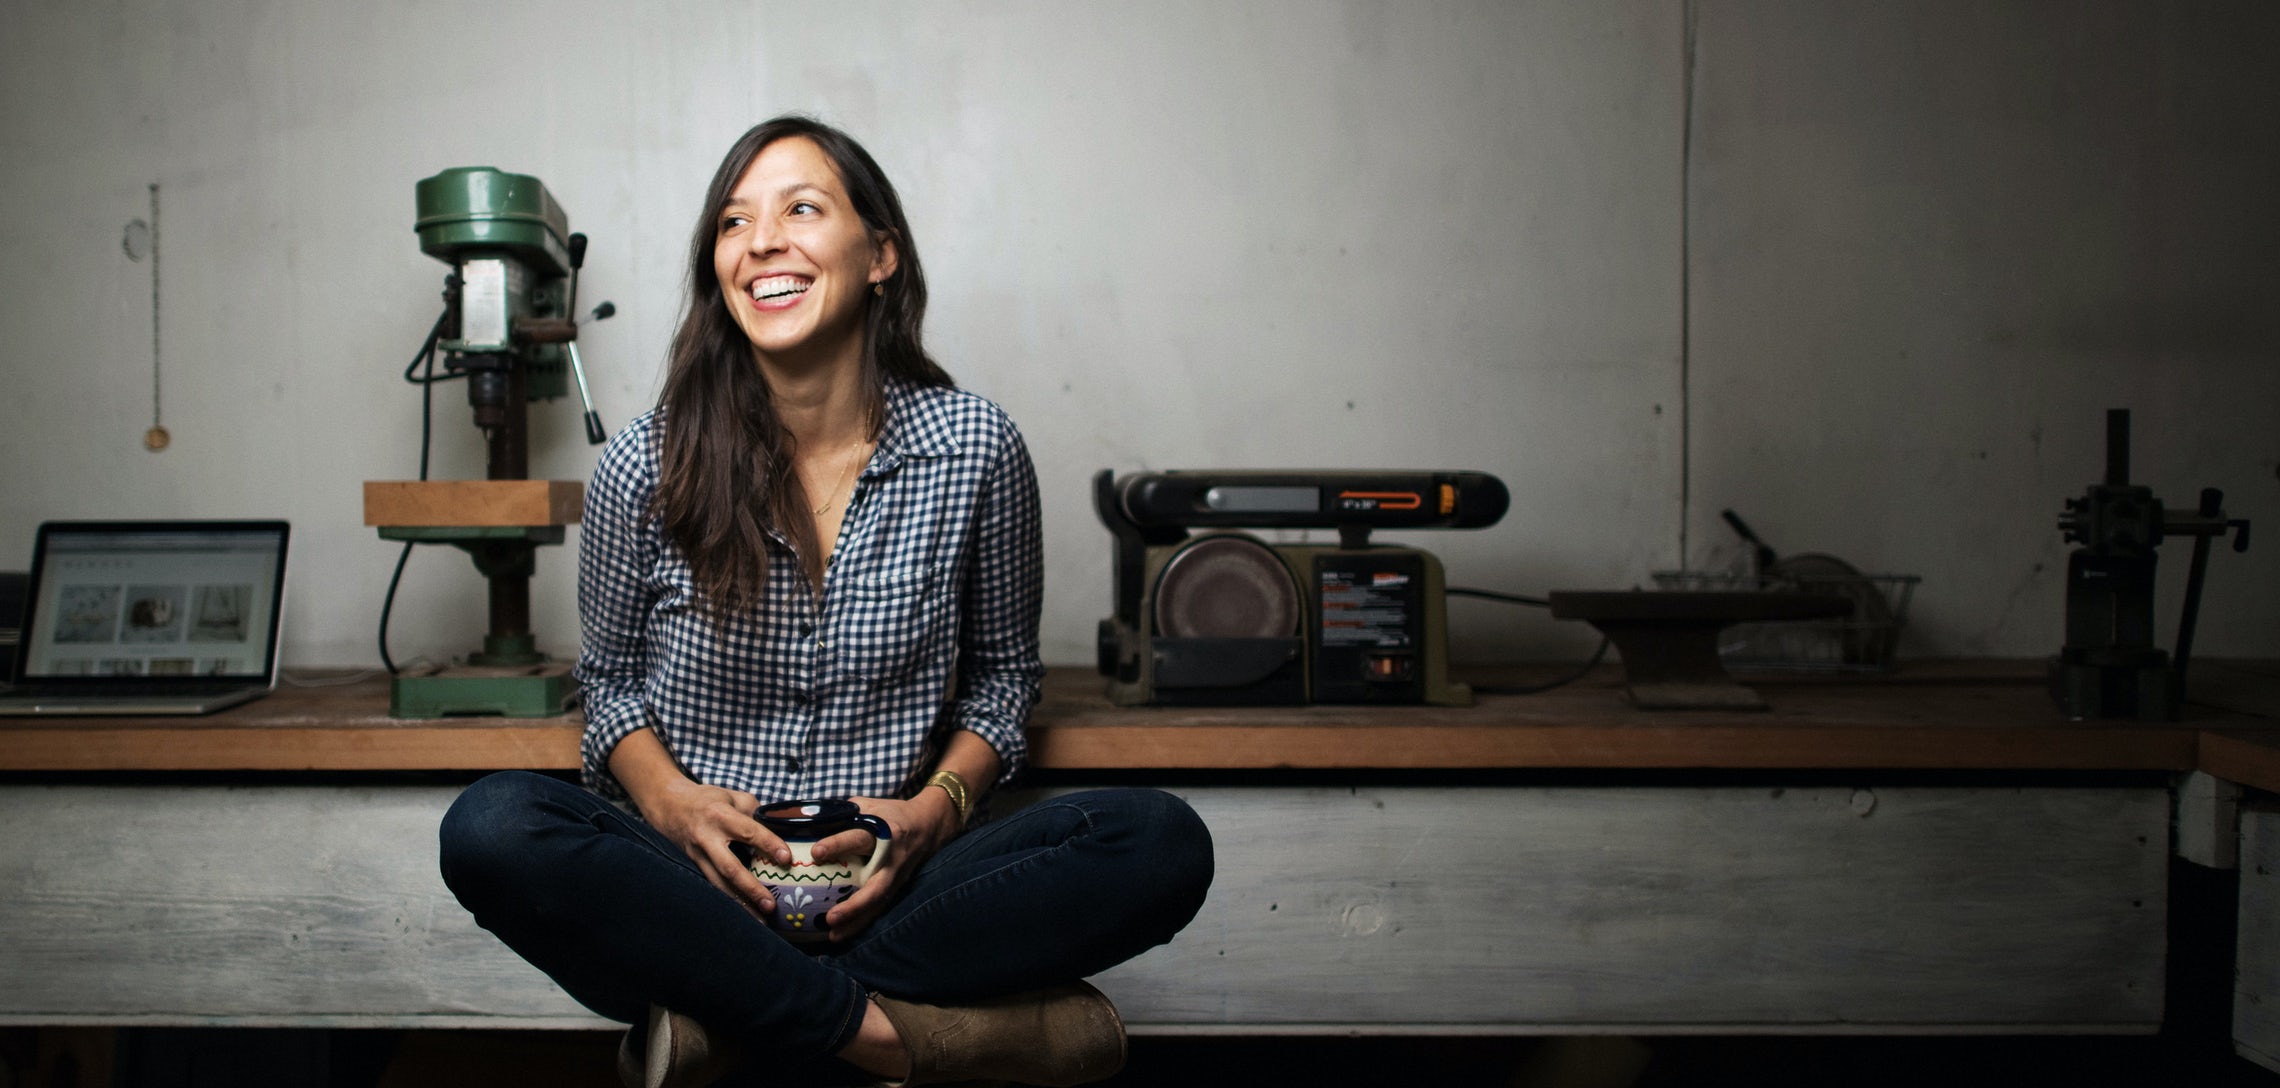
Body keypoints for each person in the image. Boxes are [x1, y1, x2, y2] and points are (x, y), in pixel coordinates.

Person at [438, 115, 1214, 1088]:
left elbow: (1003, 685)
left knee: (1155, 840)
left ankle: (731, 1017)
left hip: (893, 886)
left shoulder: (977, 449)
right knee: (494, 825)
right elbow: (610, 687)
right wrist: (672, 805)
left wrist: (935, 811)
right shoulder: (646, 460)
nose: (760, 240)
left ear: (880, 253)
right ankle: (893, 1036)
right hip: (697, 886)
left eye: (801, 208)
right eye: (732, 221)